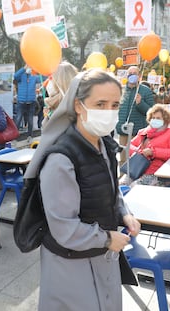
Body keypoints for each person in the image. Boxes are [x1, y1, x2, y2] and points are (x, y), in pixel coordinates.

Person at [23, 70, 141, 311]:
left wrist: (124, 213)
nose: (108, 111)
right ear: (78, 106)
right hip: (71, 265)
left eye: (115, 104)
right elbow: (64, 227)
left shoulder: (104, 145)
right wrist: (108, 238)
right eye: (100, 104)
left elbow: (111, 189)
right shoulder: (60, 159)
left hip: (102, 256)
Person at [128, 104, 170, 185]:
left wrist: (153, 152)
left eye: (158, 118)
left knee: (134, 187)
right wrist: (139, 151)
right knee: (121, 186)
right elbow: (129, 146)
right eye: (153, 118)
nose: (154, 120)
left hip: (158, 173)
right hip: (137, 169)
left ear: (165, 119)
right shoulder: (143, 132)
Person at [116, 66, 154, 168]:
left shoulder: (145, 91)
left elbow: (151, 112)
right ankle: (123, 180)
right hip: (123, 131)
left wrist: (140, 103)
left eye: (135, 73)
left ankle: (135, 180)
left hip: (137, 133)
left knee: (136, 159)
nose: (132, 75)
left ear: (139, 76)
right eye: (130, 73)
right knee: (123, 159)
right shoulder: (121, 90)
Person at [42, 61, 78, 126]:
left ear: (61, 82)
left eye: (51, 78)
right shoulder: (53, 103)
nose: (48, 82)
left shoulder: (69, 107)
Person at [14, 65, 41, 142]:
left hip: (31, 101)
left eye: (30, 67)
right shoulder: (21, 76)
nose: (29, 68)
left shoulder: (34, 76)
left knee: (30, 119)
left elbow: (42, 79)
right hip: (21, 101)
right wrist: (24, 68)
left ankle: (30, 136)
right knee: (18, 119)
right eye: (28, 66)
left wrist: (39, 69)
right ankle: (14, 137)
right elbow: (15, 76)